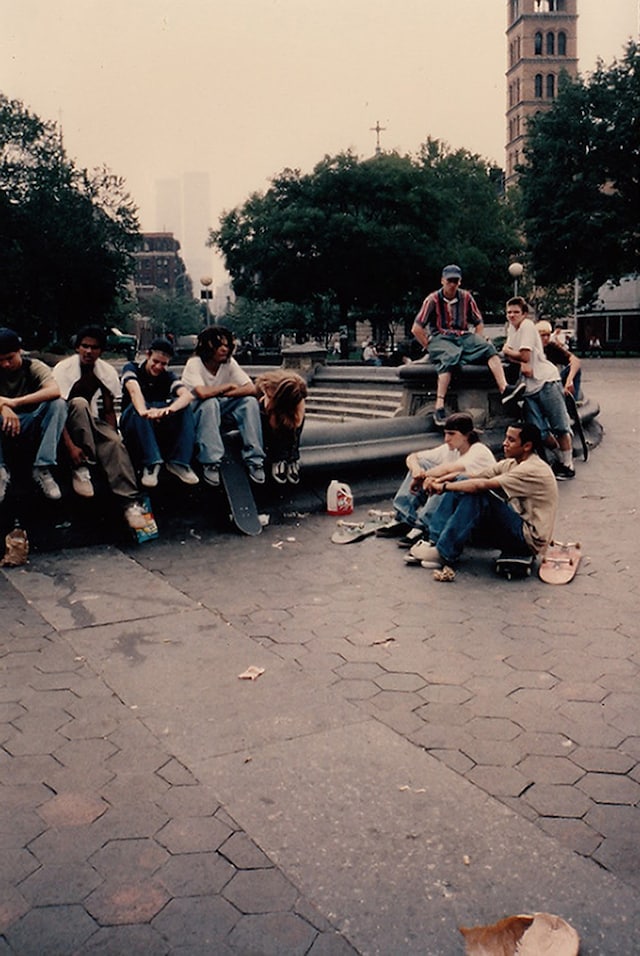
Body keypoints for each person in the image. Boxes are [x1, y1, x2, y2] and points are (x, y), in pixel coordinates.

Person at [407, 422, 557, 572]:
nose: (504, 443)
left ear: (527, 446)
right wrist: (437, 480)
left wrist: (444, 487)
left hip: (527, 539)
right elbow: (471, 476)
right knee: (463, 483)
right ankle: (435, 542)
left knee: (478, 495)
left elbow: (481, 485)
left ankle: (444, 553)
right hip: (515, 525)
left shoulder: (532, 469)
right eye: (505, 438)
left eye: (511, 440)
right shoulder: (511, 463)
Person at [53, 325, 148, 531]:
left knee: (114, 443)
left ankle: (130, 503)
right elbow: (56, 412)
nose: (89, 351)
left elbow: (108, 411)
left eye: (94, 348)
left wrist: (112, 436)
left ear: (101, 351)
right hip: (65, 424)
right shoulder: (63, 369)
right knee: (79, 403)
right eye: (85, 346)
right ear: (78, 347)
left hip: (92, 422)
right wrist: (71, 448)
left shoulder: (105, 371)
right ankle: (81, 468)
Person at [410, 264, 525, 427]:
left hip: (462, 336)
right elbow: (416, 328)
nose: (452, 284)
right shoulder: (432, 300)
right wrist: (429, 346)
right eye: (449, 281)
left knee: (488, 349)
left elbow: (478, 322)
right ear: (442, 281)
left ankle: (504, 389)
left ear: (460, 282)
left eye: (455, 281)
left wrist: (477, 341)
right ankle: (439, 405)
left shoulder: (466, 298)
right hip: (441, 336)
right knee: (449, 357)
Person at [377, 413, 496, 549]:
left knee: (445, 479)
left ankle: (424, 527)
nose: (446, 439)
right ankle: (403, 518)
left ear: (466, 435)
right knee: (422, 464)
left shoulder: (479, 451)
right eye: (445, 434)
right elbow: (413, 457)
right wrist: (417, 472)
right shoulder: (451, 449)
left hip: (476, 509)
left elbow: (449, 469)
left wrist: (424, 477)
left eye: (451, 434)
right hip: (454, 503)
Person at [180, 326, 265, 487]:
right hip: (196, 414)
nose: (224, 349)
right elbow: (203, 393)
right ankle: (210, 461)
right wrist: (227, 387)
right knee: (210, 402)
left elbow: (251, 388)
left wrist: (224, 394)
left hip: (219, 410)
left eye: (227, 345)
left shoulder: (229, 363)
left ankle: (255, 459)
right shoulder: (194, 363)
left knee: (249, 402)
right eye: (219, 345)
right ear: (207, 346)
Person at [502, 297, 575, 480]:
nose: (512, 315)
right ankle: (560, 457)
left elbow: (524, 356)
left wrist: (506, 351)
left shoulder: (526, 326)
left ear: (524, 314)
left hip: (546, 381)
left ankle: (568, 465)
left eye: (516, 312)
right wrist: (514, 355)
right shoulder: (512, 328)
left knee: (559, 425)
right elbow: (519, 358)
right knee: (538, 431)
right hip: (529, 388)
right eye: (509, 312)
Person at [120, 337, 199, 488]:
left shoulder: (168, 376)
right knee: (138, 407)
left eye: (163, 364)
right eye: (155, 361)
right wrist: (145, 412)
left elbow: (187, 395)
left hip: (157, 420)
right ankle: (151, 463)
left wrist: (167, 410)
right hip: (134, 420)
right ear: (148, 355)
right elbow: (133, 389)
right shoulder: (131, 368)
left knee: (184, 407)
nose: (158, 367)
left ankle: (179, 462)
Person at [0, 327, 67, 503]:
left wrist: (14, 403)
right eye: (0, 360)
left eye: (10, 358)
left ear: (19, 352)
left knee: (58, 404)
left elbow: (54, 390)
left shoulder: (33, 366)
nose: (5, 364)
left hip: (30, 421)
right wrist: (3, 407)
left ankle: (43, 467)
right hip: (2, 423)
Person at [254, 370, 307, 484]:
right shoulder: (269, 387)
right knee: (269, 418)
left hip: (285, 403)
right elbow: (267, 406)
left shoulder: (298, 393)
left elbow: (298, 422)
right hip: (273, 406)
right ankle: (277, 458)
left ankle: (292, 458)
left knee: (292, 426)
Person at [536, 320, 582, 402]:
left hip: (553, 379)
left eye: (548, 335)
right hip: (540, 382)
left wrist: (569, 380)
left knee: (575, 369)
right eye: (542, 335)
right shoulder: (531, 348)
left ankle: (572, 401)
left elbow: (575, 361)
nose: (546, 338)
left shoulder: (551, 346)